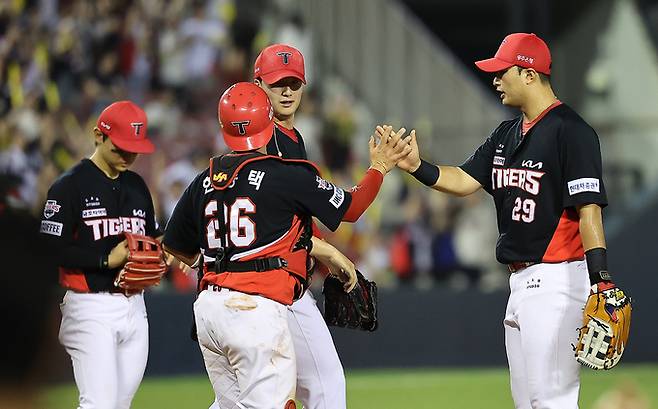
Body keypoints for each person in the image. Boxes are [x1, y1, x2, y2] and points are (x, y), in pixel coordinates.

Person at [393, 33, 618, 408]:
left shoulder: (572, 131)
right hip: (519, 283)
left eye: (502, 72)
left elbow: (589, 210)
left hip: (558, 281)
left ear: (529, 74)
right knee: (527, 403)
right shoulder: (506, 134)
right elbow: (464, 180)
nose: (495, 80)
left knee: (552, 402)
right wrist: (417, 167)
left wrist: (602, 281)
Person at [162, 82, 410, 409]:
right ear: (269, 121)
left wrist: (218, 260)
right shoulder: (285, 176)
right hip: (255, 311)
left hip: (209, 312)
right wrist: (379, 168)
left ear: (224, 129)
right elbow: (350, 207)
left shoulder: (204, 179)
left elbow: (177, 247)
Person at [39, 101, 160, 409]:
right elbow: (49, 249)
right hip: (89, 306)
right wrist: (105, 260)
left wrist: (166, 250)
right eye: (121, 148)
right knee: (99, 404)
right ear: (98, 136)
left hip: (135, 305)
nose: (128, 156)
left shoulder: (137, 185)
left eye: (134, 149)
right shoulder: (69, 186)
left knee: (118, 405)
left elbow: (152, 234)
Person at [255, 43, 353, 409]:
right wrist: (379, 168)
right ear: (258, 84)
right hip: (269, 285)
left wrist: (326, 250)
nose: (286, 91)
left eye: (294, 83)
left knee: (246, 398)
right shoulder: (262, 142)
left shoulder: (292, 139)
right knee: (320, 388)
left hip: (280, 282)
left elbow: (289, 224)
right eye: (277, 83)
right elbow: (350, 209)